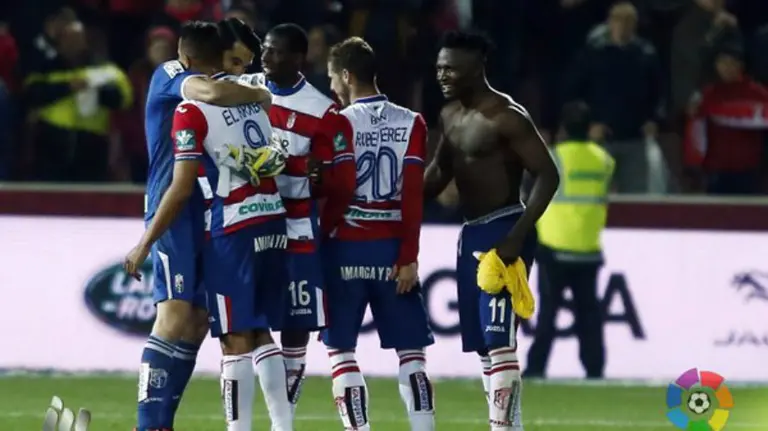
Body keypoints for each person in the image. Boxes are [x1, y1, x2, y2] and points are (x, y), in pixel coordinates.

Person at [122, 21, 271, 431]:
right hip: (172, 204)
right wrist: (260, 93)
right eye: (234, 61)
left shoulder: (218, 90)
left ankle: (161, 421)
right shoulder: (171, 75)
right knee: (172, 315)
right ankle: (146, 424)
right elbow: (210, 91)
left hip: (211, 207)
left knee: (199, 319)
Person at [425, 31, 559, 431]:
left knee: (500, 339)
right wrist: (398, 201)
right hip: (471, 234)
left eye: (451, 67)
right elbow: (438, 172)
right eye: (439, 67)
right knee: (486, 347)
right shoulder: (450, 115)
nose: (442, 74)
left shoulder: (507, 115)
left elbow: (547, 174)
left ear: (477, 66)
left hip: (504, 229)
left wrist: (519, 233)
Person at [322, 37, 435, 431]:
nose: (332, 86)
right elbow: (413, 198)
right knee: (412, 355)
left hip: (346, 249)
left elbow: (338, 188)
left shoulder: (338, 123)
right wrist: (409, 256)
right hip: (393, 253)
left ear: (348, 75)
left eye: (333, 77)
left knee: (340, 351)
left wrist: (324, 233)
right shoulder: (412, 122)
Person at [245, 23, 356, 418]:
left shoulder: (322, 110)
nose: (265, 57)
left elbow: (334, 179)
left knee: (296, 326)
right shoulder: (243, 89)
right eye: (265, 49)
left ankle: (283, 418)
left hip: (295, 227)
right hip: (249, 223)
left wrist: (315, 175)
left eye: (274, 51)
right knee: (246, 320)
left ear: (297, 58)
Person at [524, 101, 612, 380]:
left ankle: (537, 367)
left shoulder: (551, 158)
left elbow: (531, 195)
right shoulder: (604, 160)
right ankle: (594, 368)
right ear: (589, 128)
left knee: (549, 312)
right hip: (588, 247)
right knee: (590, 313)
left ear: (562, 128)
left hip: (554, 245)